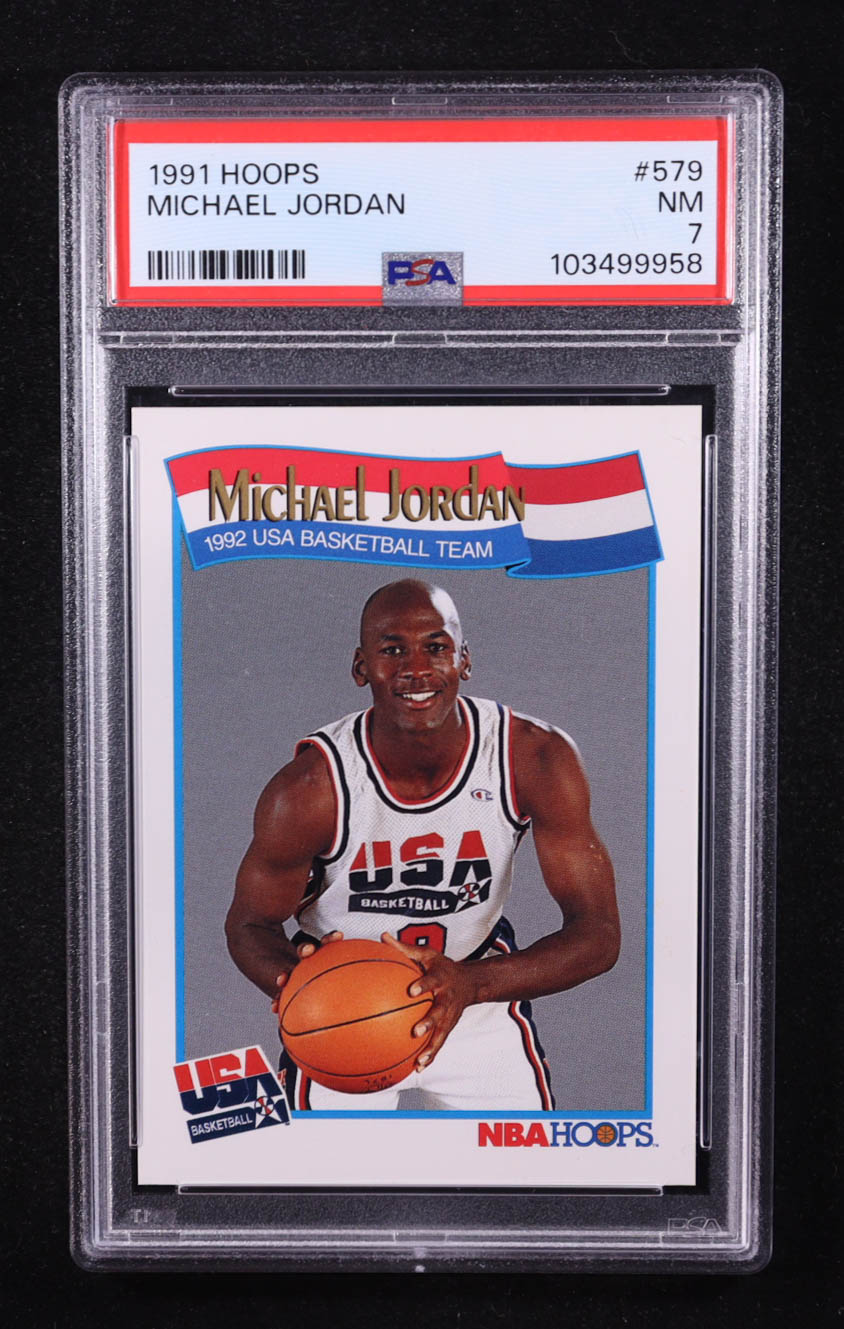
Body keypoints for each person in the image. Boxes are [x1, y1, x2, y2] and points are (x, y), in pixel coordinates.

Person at [226, 579, 620, 1110]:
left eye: (436, 647)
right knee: (317, 1166)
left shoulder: (532, 757)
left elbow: (598, 935)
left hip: (476, 988)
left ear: (464, 659)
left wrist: (472, 984)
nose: (416, 668)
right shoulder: (311, 788)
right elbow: (248, 924)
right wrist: (297, 984)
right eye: (393, 651)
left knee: (526, 1163)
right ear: (361, 667)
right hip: (347, 1003)